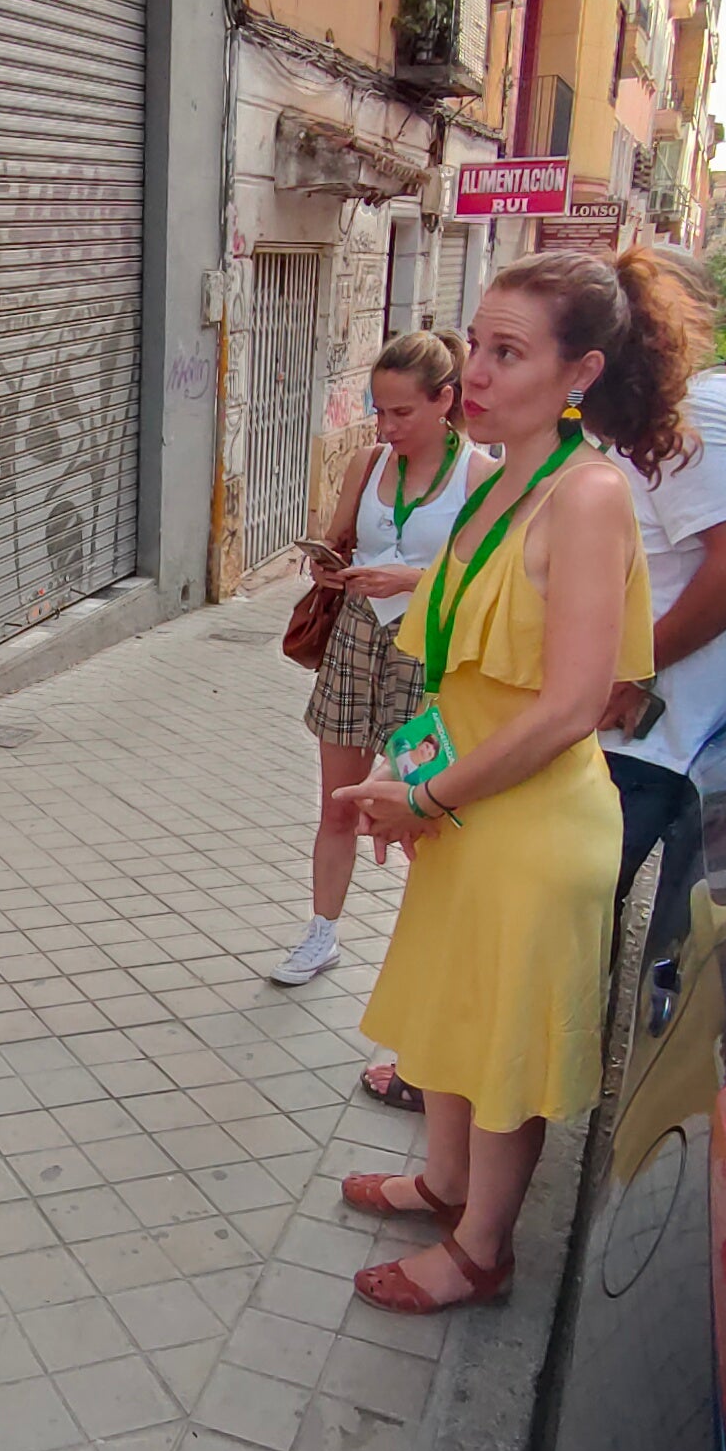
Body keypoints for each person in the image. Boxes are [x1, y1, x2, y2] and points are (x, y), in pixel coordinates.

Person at [332, 250, 683, 1314]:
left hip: (524, 823)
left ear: (579, 374)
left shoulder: (585, 497)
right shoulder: (506, 479)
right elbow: (471, 640)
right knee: (448, 1016)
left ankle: (481, 1249)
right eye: (476, 345)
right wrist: (419, 775)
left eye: (507, 353)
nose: (473, 372)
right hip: (471, 807)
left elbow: (573, 701)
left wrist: (425, 796)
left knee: (501, 1057)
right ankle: (443, 1183)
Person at [270, 332, 487, 1113]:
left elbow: (488, 576)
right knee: (340, 799)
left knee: (424, 815)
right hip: (359, 636)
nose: (387, 426)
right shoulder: (369, 463)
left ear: (445, 401)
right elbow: (338, 537)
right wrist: (329, 563)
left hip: (429, 652)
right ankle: (321, 934)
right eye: (378, 410)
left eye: (402, 412)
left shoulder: (482, 474)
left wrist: (414, 576)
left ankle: (419, 982)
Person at [598, 273, 726, 958]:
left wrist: (632, 668)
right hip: (645, 741)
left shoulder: (691, 417)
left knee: (558, 945)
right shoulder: (692, 408)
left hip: (645, 744)